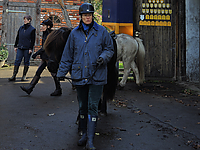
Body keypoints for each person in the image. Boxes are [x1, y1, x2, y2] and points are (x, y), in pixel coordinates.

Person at [57, 3, 114, 150]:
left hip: (97, 75)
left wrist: (103, 57)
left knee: (92, 106)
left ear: (92, 16)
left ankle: (90, 140)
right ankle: (83, 134)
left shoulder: (102, 32)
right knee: (82, 106)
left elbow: (109, 49)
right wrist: (61, 72)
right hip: (79, 75)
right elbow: (67, 55)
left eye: (89, 15)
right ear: (81, 16)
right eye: (84, 15)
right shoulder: (74, 34)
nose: (87, 17)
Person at [20, 19, 62, 96]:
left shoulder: (50, 35)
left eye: (43, 25)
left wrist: (36, 53)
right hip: (45, 57)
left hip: (49, 57)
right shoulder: (45, 34)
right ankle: (30, 88)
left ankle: (58, 89)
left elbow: (45, 47)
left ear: (48, 26)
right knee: (39, 72)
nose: (42, 27)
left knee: (53, 73)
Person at [8, 15, 36, 81]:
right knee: (17, 61)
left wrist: (30, 48)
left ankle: (24, 76)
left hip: (27, 48)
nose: (24, 20)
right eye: (24, 19)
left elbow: (33, 40)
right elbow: (17, 37)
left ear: (29, 20)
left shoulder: (32, 29)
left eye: (26, 19)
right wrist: (15, 46)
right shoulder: (21, 28)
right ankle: (14, 76)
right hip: (20, 47)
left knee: (26, 62)